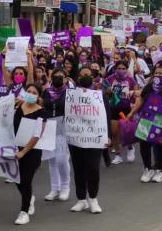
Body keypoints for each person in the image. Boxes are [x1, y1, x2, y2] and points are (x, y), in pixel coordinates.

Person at [127, 62, 162, 183]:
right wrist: (132, 113)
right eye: (156, 73)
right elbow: (140, 100)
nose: (158, 75)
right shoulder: (149, 87)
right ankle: (147, 169)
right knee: (144, 145)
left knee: (160, 145)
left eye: (160, 73)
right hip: (146, 120)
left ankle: (159, 171)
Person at [68, 66, 111, 213]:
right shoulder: (71, 95)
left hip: (95, 138)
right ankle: (81, 199)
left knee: (93, 168)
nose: (84, 77)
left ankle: (93, 198)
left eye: (87, 75)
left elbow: (107, 116)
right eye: (81, 75)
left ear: (93, 77)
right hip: (76, 136)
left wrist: (108, 135)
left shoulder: (99, 95)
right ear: (77, 78)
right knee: (78, 168)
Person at [13, 83, 47, 225]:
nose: (31, 94)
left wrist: (24, 151)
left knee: (26, 180)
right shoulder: (18, 107)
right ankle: (29, 198)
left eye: (34, 92)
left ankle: (24, 212)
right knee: (16, 180)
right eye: (29, 91)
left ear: (38, 96)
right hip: (15, 149)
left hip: (31, 151)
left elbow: (37, 135)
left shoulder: (41, 112)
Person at [42, 69, 71, 202]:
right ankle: (55, 188)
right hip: (48, 125)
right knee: (51, 159)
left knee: (61, 158)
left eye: (61, 77)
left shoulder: (70, 93)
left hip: (63, 126)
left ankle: (65, 187)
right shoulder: (46, 92)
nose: (58, 79)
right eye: (55, 77)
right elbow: (42, 106)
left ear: (66, 79)